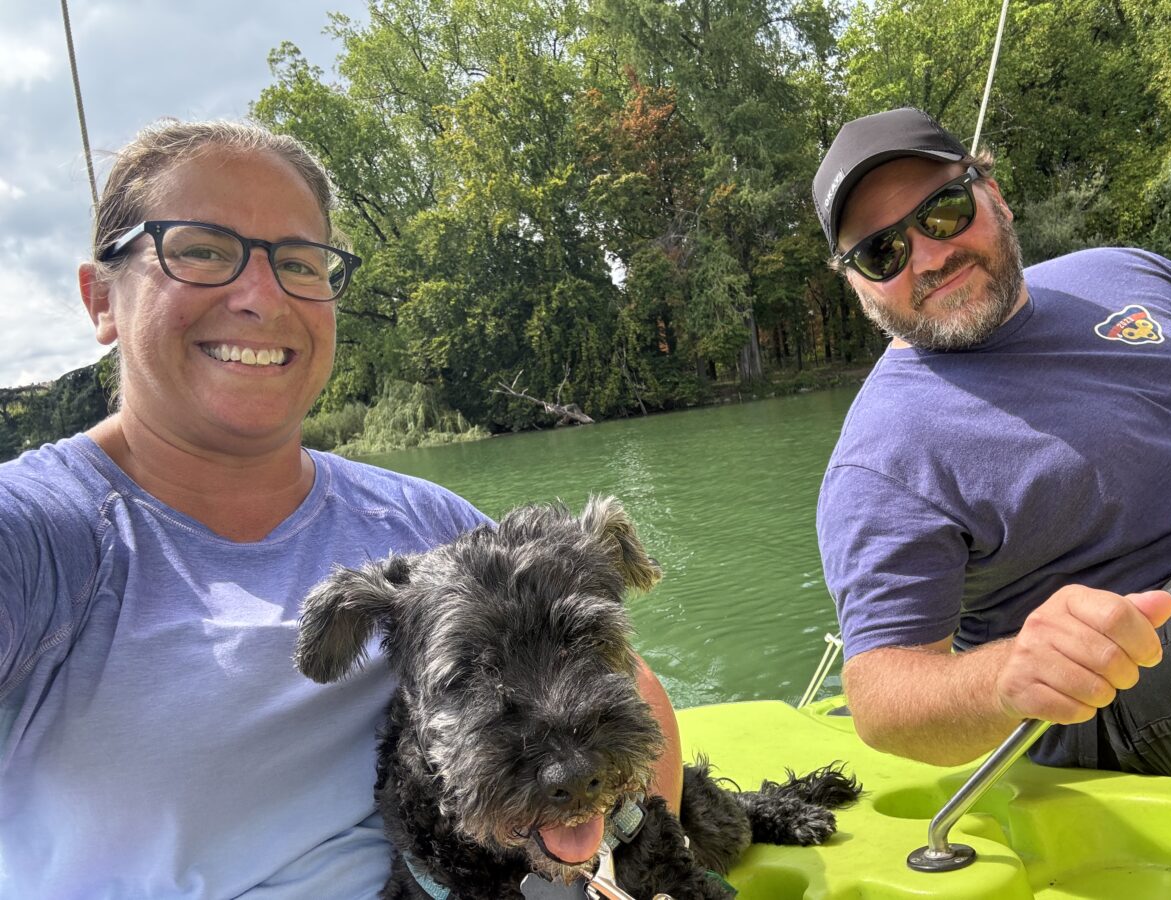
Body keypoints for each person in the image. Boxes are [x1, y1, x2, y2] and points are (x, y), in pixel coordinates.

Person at [0, 120, 682, 899]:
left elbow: (628, 686)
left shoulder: (429, 524)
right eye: (200, 248)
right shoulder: (37, 536)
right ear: (101, 299)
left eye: (299, 262)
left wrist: (623, 871)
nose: (260, 296)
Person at [810, 107, 1171, 775]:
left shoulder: (1125, 272)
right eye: (882, 251)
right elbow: (878, 695)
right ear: (855, 284)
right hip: (1116, 692)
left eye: (943, 210)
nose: (930, 256)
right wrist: (1005, 677)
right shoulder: (882, 458)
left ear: (995, 195)